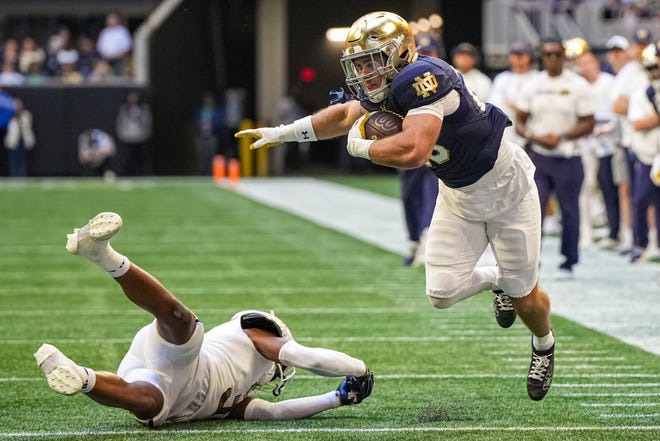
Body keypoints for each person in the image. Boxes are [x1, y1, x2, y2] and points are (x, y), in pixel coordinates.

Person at [236, 11, 555, 401]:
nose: (366, 71)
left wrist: (363, 147)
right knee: (441, 292)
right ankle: (496, 279)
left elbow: (415, 150)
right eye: (360, 62)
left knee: (526, 300)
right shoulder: (384, 84)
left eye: (373, 60)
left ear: (401, 53)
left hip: (507, 189)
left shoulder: (423, 78)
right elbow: (344, 115)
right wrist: (283, 132)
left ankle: (543, 344)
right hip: (457, 193)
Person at [35, 211, 373, 426]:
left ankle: (81, 376)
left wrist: (338, 399)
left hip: (169, 392)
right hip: (188, 360)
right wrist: (360, 369)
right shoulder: (255, 335)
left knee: (146, 403)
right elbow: (302, 355)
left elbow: (275, 413)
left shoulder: (238, 398)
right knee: (184, 322)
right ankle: (102, 254)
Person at [515, 38, 596, 280]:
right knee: (533, 210)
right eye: (548, 54)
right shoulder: (533, 84)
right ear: (543, 57)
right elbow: (519, 119)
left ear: (563, 57)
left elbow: (589, 122)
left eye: (557, 54)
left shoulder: (577, 84)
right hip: (539, 156)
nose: (553, 58)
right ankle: (531, 262)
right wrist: (534, 136)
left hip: (568, 155)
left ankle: (568, 261)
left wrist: (562, 136)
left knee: (569, 210)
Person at [573, 50, 621, 250]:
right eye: (581, 63)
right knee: (584, 188)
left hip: (610, 144)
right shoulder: (578, 85)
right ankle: (585, 233)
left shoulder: (609, 82)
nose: (586, 67)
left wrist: (604, 128)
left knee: (609, 188)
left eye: (589, 62)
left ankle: (615, 231)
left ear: (596, 63)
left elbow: (617, 112)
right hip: (585, 145)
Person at [400, 33, 440, 266]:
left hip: (438, 149)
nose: (425, 57)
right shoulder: (403, 79)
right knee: (409, 196)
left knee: (433, 196)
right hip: (410, 147)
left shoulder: (446, 77)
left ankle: (428, 241)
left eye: (429, 53)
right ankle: (414, 241)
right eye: (421, 53)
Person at [488, 41, 538, 148]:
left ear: (529, 57)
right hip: (507, 134)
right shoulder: (502, 78)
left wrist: (518, 108)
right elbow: (495, 107)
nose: (518, 58)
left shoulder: (537, 78)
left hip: (532, 135)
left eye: (522, 55)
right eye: (515, 55)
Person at [116, 91, 152, 176]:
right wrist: (122, 135)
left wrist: (145, 135)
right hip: (127, 138)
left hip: (140, 138)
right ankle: (127, 175)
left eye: (134, 97)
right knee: (127, 158)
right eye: (130, 97)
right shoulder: (124, 109)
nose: (132, 99)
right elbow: (120, 123)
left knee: (140, 159)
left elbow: (148, 123)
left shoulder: (143, 108)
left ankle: (141, 175)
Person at [194, 92, 224, 175]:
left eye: (209, 100)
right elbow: (195, 122)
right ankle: (202, 172)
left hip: (212, 136)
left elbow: (220, 124)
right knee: (201, 155)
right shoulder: (200, 111)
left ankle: (211, 172)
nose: (208, 102)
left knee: (211, 155)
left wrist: (212, 125)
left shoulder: (216, 112)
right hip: (201, 136)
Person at [4, 98, 35, 176]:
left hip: (23, 140)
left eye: (18, 105)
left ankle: (22, 174)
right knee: (14, 160)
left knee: (22, 159)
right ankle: (13, 174)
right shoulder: (10, 115)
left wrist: (19, 118)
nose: (17, 107)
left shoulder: (26, 115)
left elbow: (27, 125)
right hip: (14, 141)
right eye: (15, 105)